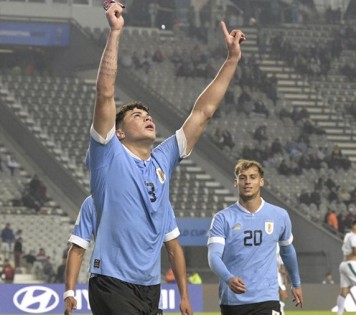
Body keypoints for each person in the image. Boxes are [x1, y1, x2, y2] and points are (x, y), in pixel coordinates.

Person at [82, 3, 245, 315]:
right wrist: (115, 33)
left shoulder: (163, 158)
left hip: (149, 286)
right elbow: (105, 94)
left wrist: (231, 60)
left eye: (148, 114)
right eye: (137, 115)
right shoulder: (107, 153)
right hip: (111, 282)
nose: (147, 118)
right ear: (118, 132)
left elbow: (203, 112)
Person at [207, 159, 303, 314]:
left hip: (267, 299)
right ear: (235, 182)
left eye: (253, 177)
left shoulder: (279, 215)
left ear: (261, 181)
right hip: (233, 300)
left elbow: (287, 251)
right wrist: (228, 278)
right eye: (243, 177)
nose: (247, 182)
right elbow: (213, 257)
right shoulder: (222, 218)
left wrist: (296, 283)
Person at [336, 219, 356, 315]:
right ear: (355, 226)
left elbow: (355, 254)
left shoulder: (347, 235)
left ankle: (339, 313)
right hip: (350, 264)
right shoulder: (353, 236)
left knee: (344, 291)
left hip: (344, 264)